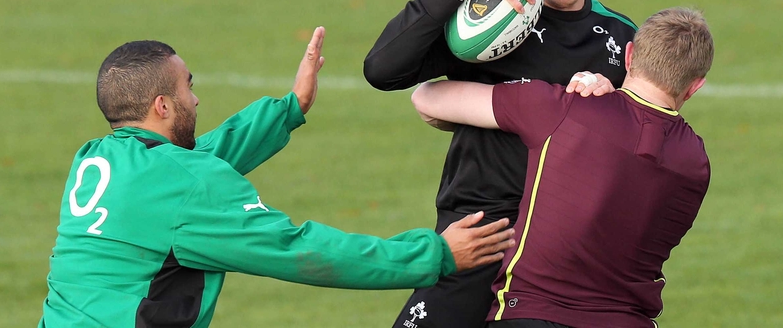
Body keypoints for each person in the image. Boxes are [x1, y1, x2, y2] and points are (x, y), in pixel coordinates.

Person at [38, 26, 518, 328]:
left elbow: (198, 159)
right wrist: (434, 255)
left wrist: (287, 110)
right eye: (188, 86)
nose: (196, 99)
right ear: (161, 105)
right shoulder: (188, 183)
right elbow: (299, 251)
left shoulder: (96, 160)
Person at [363, 0, 638, 327]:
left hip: (563, 252)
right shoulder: (486, 20)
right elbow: (382, 70)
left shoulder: (622, 39)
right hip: (477, 232)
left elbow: (649, 146)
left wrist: (613, 105)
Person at [411, 7, 714, 328]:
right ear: (695, 85)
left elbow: (427, 98)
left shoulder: (562, 107)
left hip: (531, 314)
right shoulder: (696, 161)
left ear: (629, 56)